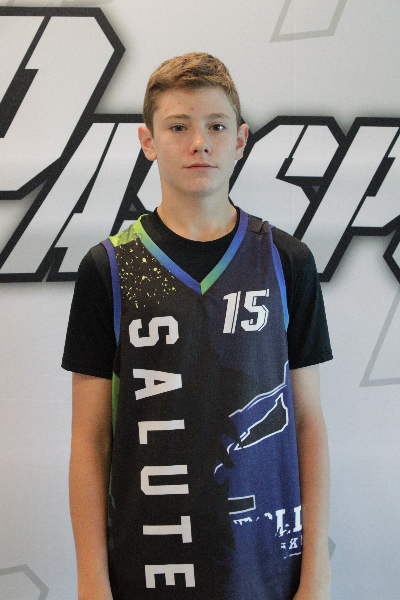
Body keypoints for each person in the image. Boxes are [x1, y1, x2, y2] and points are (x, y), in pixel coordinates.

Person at [63, 52, 332, 600]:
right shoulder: (108, 268)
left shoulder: (286, 261)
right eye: (178, 127)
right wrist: (91, 581)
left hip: (266, 571)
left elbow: (307, 424)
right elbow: (90, 441)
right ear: (148, 141)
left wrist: (316, 575)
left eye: (216, 126)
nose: (200, 143)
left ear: (240, 139)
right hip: (147, 566)